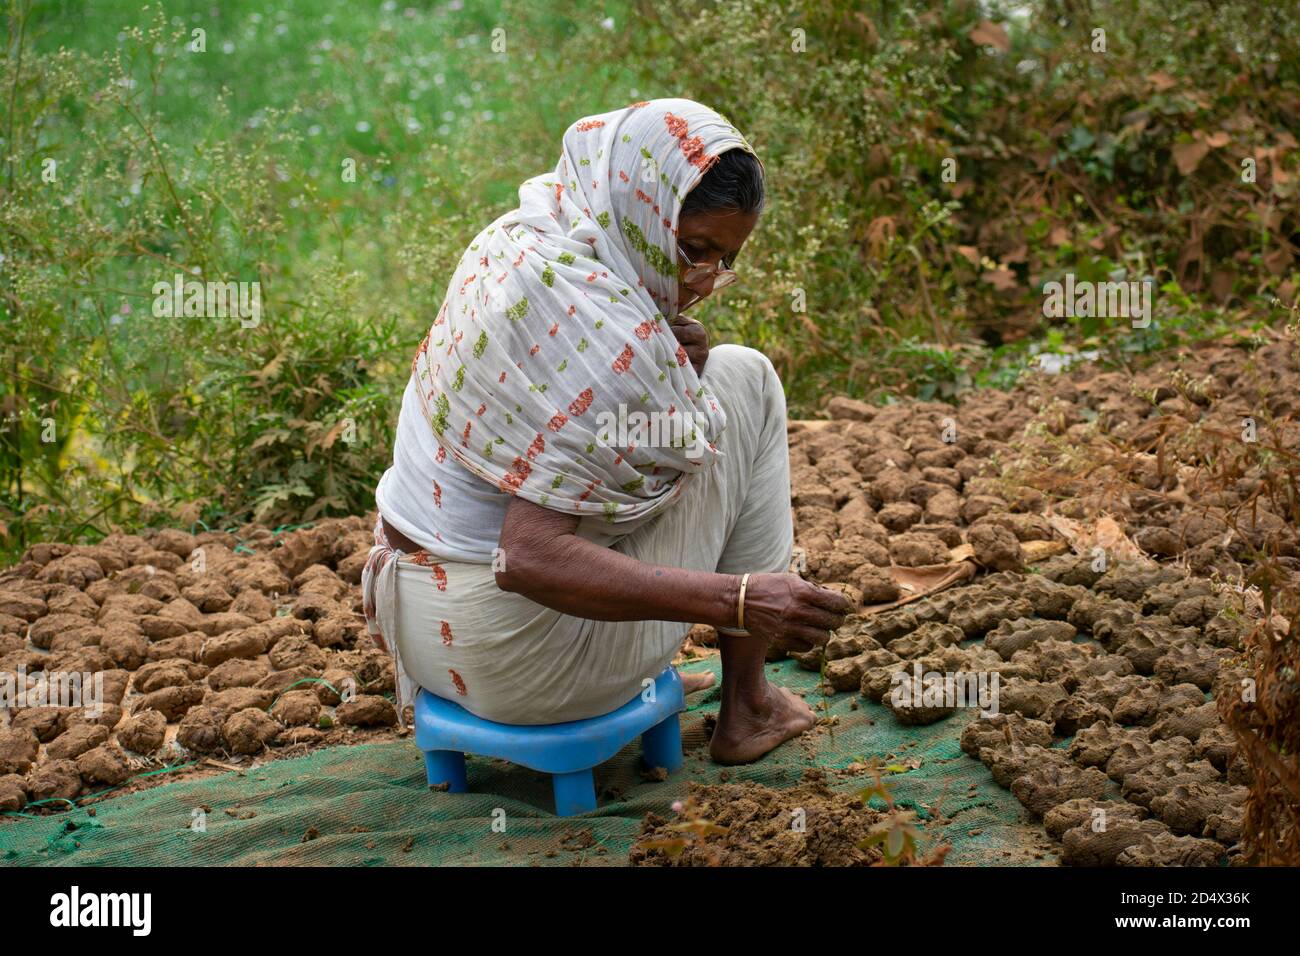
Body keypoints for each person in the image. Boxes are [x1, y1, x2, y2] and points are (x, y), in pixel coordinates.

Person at [362, 98, 851, 765]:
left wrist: (667, 377)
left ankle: (665, 674)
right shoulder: (613, 335)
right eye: (695, 249)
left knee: (711, 384)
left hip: (419, 637)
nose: (704, 281)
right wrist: (736, 600)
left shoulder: (526, 239)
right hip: (525, 669)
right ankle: (750, 704)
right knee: (749, 379)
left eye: (724, 261)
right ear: (644, 207)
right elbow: (530, 558)